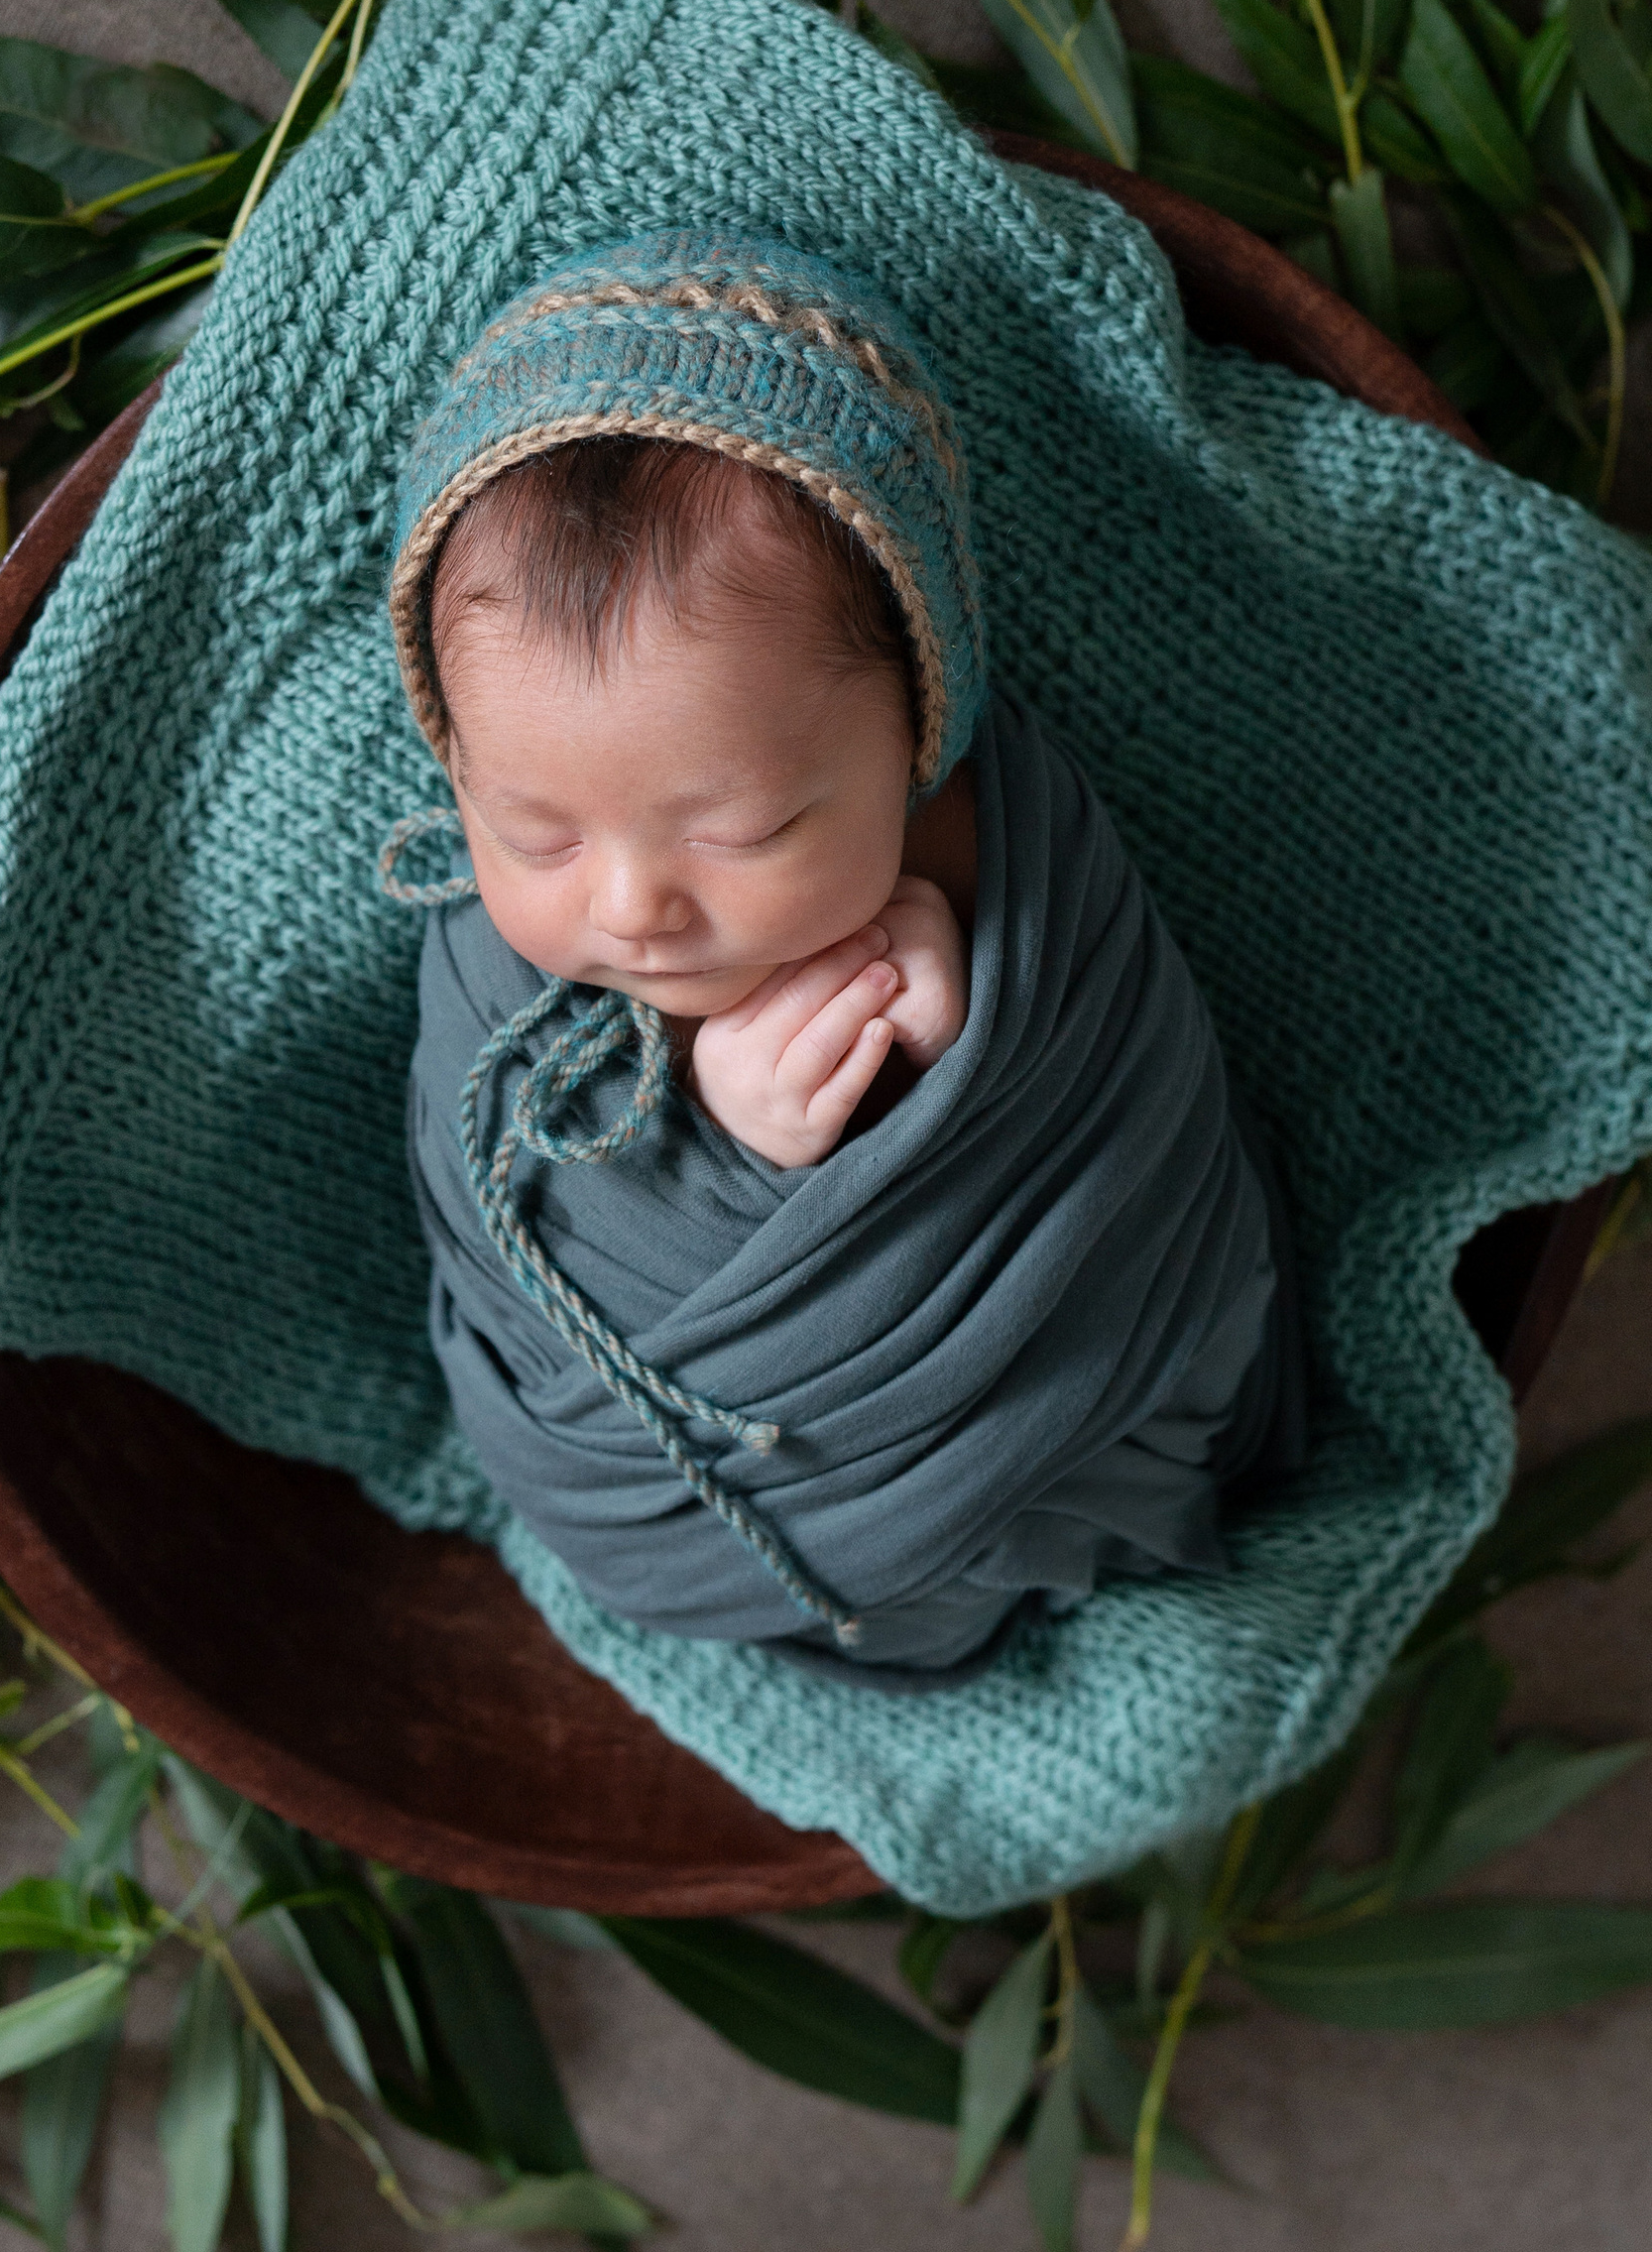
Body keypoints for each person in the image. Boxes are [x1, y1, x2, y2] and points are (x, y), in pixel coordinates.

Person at [388, 226, 1306, 1684]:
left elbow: (1136, 1194)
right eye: (534, 834)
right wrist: (739, 1146)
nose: (631, 905)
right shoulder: (494, 967)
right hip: (682, 1497)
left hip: (1020, 1458)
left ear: (919, 734)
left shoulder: (1030, 876)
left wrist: (944, 1090)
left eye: (742, 829)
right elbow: (506, 1218)